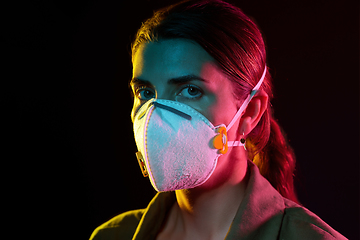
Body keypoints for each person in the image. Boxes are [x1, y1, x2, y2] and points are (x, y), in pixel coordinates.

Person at [90, 0, 347, 239]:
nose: (156, 116)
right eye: (146, 93)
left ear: (249, 113)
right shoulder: (112, 235)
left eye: (190, 90)